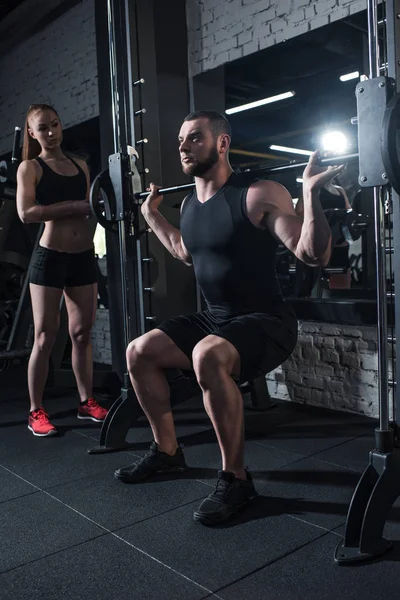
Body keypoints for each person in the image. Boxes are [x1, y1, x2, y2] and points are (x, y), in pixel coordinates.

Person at [114, 110, 344, 525]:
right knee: (139, 351)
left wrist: (310, 195)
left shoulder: (256, 194)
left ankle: (236, 479)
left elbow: (313, 254)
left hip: (267, 322)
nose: (183, 146)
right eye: (181, 139)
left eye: (195, 138)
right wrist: (152, 218)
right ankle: (168, 452)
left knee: (207, 355)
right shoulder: (189, 203)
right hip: (216, 321)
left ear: (221, 143)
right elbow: (187, 251)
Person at [16, 103, 108, 437]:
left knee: (82, 334)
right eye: (43, 128)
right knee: (44, 337)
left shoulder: (80, 165)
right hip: (50, 258)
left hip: (83, 256)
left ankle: (86, 401)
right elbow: (26, 213)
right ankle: (35, 410)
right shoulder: (30, 168)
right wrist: (73, 207)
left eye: (55, 125)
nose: (52, 133)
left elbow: (91, 209)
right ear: (32, 132)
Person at [296, 179, 352, 290]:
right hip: (320, 241)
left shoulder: (340, 190)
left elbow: (349, 212)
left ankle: (340, 302)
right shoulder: (312, 188)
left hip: (339, 241)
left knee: (341, 283)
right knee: (313, 281)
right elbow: (299, 212)